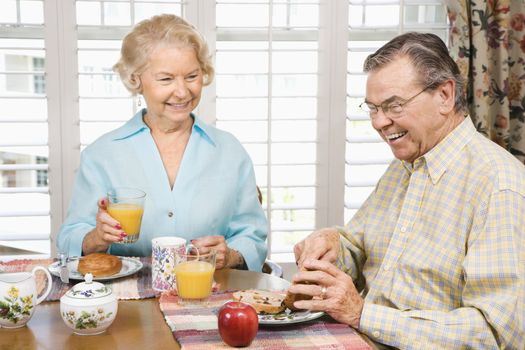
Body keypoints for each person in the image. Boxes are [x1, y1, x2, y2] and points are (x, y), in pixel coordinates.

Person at [289, 32, 524, 349]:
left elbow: (494, 334)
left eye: (393, 106)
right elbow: (359, 245)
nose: (379, 122)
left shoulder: (499, 185)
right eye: (373, 108)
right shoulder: (405, 165)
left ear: (444, 95)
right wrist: (333, 243)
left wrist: (362, 314)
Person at [57, 14, 267, 271]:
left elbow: (253, 236)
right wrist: (96, 238)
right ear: (136, 80)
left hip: (209, 299)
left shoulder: (229, 151)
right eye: (166, 79)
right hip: (126, 301)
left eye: (191, 76)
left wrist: (231, 255)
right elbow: (69, 237)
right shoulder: (101, 154)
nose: (182, 91)